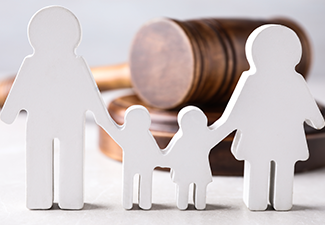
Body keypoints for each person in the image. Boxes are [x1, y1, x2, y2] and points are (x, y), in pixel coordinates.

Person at [0, 6, 118, 210]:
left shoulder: (37, 63)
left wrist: (9, 113)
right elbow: (92, 98)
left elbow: (15, 100)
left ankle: (45, 198)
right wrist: (105, 120)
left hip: (50, 123)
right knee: (57, 157)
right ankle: (58, 199)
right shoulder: (69, 64)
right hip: (63, 123)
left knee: (47, 157)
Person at [214, 24, 325, 210]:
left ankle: (266, 201)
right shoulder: (292, 81)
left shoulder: (259, 80)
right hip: (284, 139)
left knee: (263, 165)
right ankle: (275, 202)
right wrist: (317, 120)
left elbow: (235, 115)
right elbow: (315, 118)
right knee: (272, 166)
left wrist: (218, 131)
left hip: (263, 138)